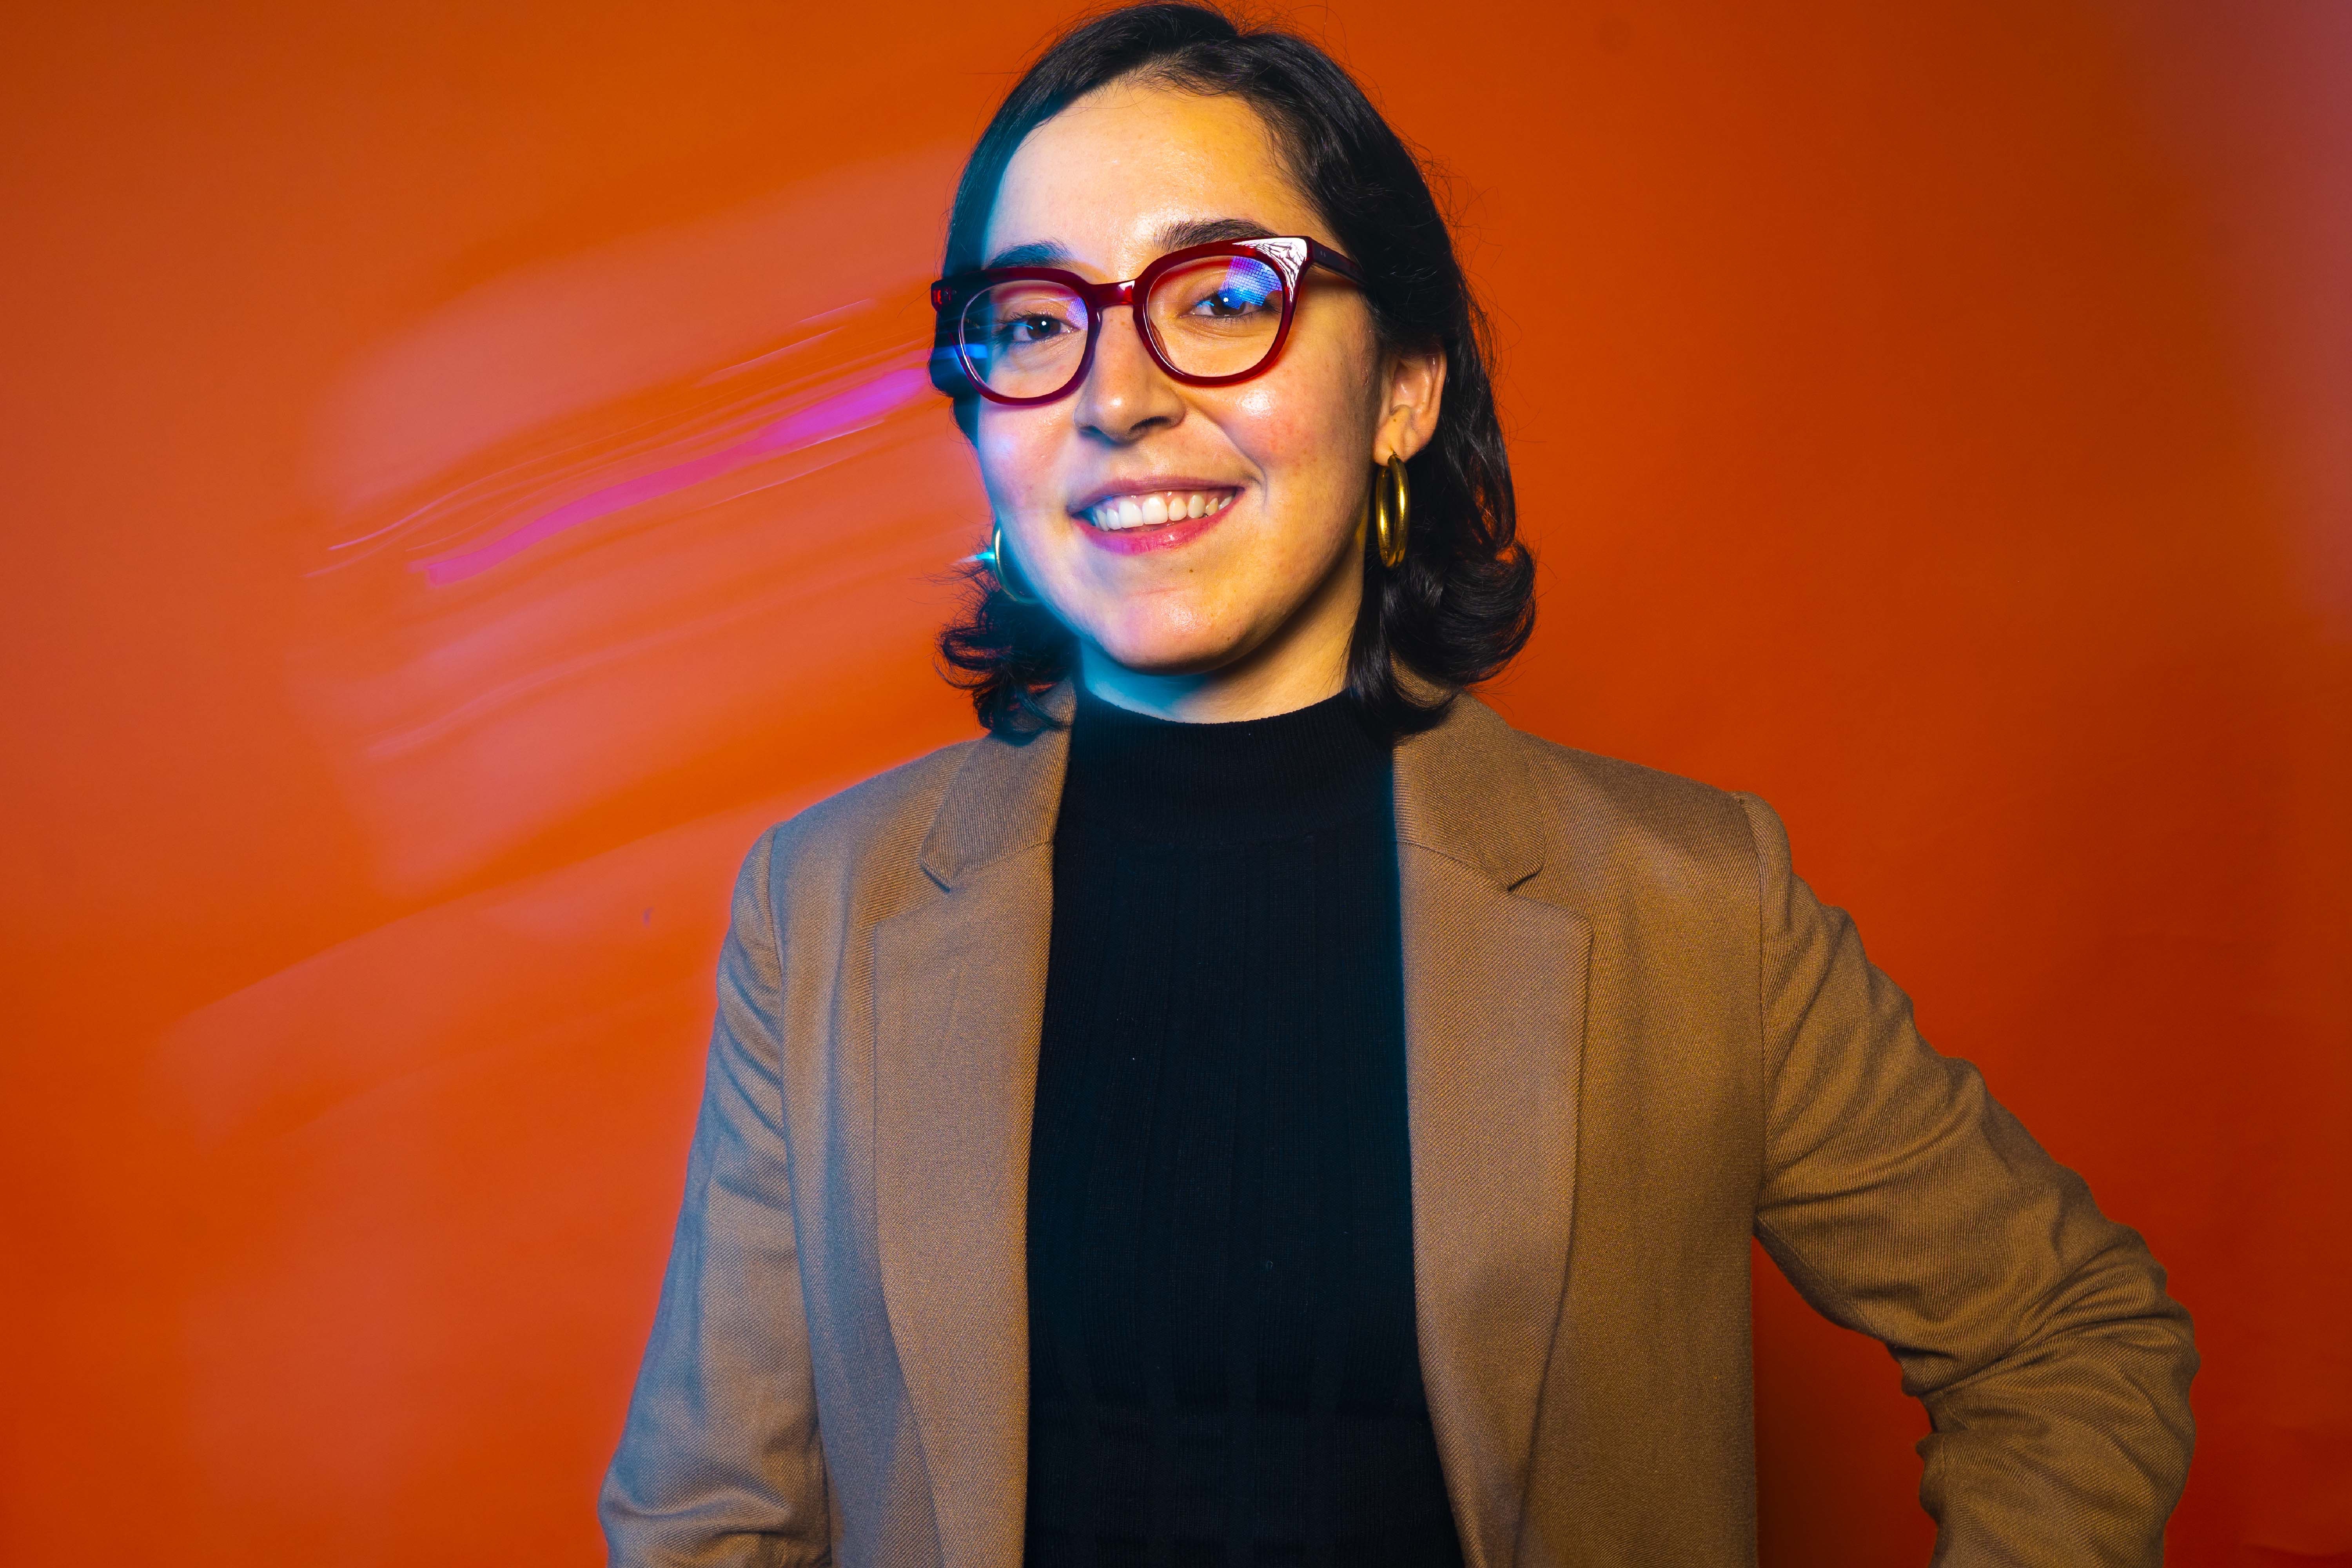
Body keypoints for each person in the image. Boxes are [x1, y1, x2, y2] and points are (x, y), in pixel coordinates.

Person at [599, 5, 2197, 1564]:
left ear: (1405, 389)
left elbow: (2072, 1338)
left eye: (1223, 296)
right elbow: (707, 1517)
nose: (1116, 395)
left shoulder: (1693, 904)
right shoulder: (823, 910)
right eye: (1033, 321)